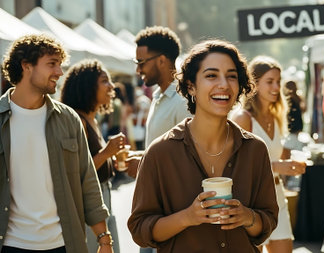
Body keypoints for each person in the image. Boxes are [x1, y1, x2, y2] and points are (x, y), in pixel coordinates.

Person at [128, 39, 279, 252]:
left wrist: (248, 217)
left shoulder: (255, 149)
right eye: (211, 75)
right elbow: (140, 230)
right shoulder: (160, 152)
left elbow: (268, 221)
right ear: (191, 86)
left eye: (231, 76)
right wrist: (188, 217)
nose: (224, 84)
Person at [0, 34, 112, 253]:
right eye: (52, 64)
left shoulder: (68, 119)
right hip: (11, 245)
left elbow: (87, 181)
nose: (59, 72)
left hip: (63, 244)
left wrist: (104, 239)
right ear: (26, 66)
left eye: (60, 65)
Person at [232, 55, 306, 253]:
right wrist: (276, 166)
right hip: (252, 199)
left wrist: (290, 164)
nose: (276, 87)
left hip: (277, 195)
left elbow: (273, 155)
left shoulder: (276, 116)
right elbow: (236, 165)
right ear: (254, 84)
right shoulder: (243, 118)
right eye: (270, 82)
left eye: (278, 82)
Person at [60, 59, 125, 253]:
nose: (111, 86)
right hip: (89, 205)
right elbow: (76, 173)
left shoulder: (91, 119)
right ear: (87, 86)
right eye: (105, 81)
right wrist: (107, 152)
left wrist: (113, 158)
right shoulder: (77, 121)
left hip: (104, 196)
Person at [126, 26, 191, 183]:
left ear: (162, 61)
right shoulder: (158, 96)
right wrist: (142, 155)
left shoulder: (184, 102)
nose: (138, 69)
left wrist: (143, 164)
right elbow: (165, 151)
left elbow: (190, 159)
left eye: (141, 62)